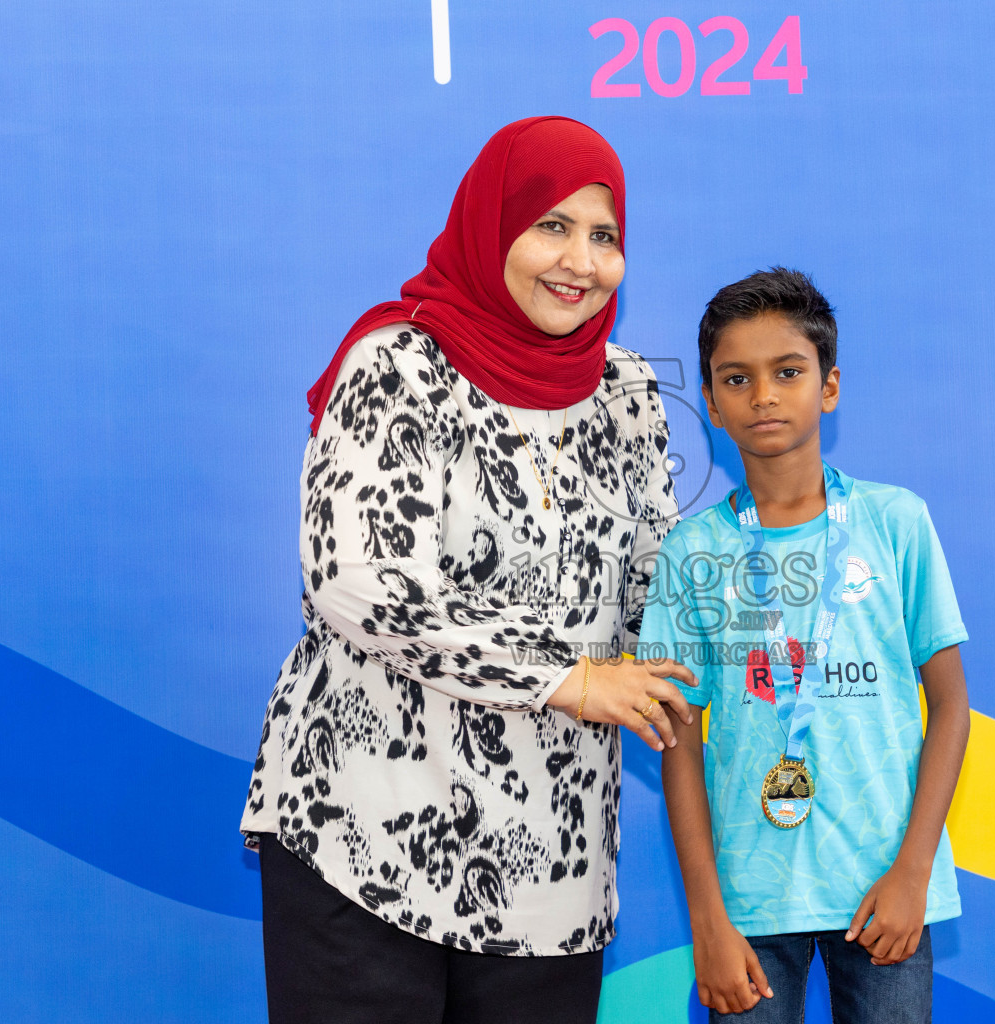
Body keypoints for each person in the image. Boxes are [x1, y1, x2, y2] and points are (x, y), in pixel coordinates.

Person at [240, 116, 697, 1024]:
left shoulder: (630, 390)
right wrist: (564, 678)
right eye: (550, 226)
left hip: (552, 872)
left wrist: (778, 605)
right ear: (493, 229)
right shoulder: (399, 366)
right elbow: (361, 581)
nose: (580, 260)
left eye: (604, 236)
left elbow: (658, 586)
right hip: (367, 840)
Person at [639, 268, 972, 1023]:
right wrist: (708, 921)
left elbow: (951, 707)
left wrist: (914, 870)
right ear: (713, 405)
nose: (763, 395)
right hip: (750, 902)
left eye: (787, 372)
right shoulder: (691, 551)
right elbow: (678, 744)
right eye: (737, 379)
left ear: (828, 386)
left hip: (883, 887)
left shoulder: (896, 524)